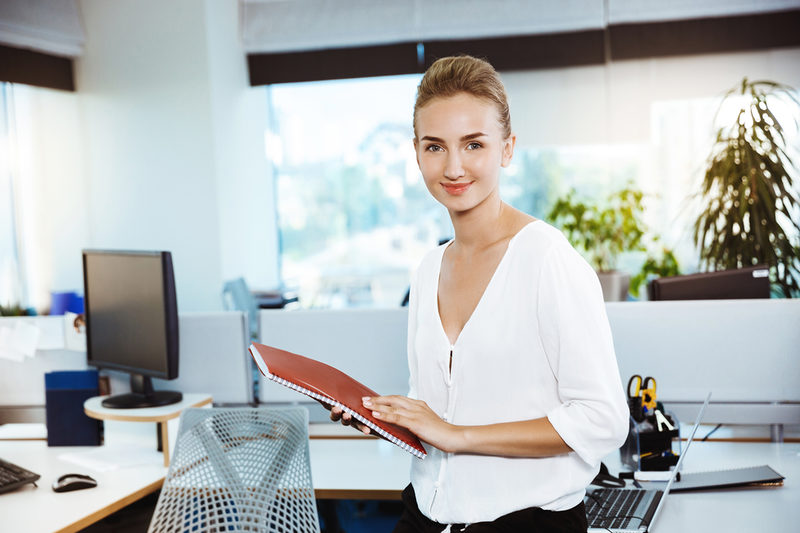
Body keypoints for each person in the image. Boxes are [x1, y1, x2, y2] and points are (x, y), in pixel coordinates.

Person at [332, 55, 629, 532]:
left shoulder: (546, 260)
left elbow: (603, 419)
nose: (453, 167)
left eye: (473, 144)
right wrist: (393, 419)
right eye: (435, 147)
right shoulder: (429, 269)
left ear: (507, 148)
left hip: (526, 523)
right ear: (416, 153)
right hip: (425, 515)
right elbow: (439, 406)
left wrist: (456, 435)